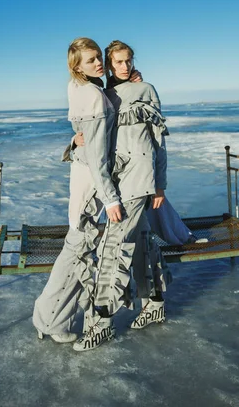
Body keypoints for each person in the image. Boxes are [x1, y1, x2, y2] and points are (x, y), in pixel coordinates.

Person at [73, 40, 174, 351]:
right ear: (109, 62)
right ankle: (154, 302)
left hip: (139, 180)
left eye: (128, 61)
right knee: (142, 239)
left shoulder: (146, 90)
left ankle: (102, 320)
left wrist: (160, 184)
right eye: (118, 62)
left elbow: (159, 141)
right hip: (120, 179)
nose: (125, 66)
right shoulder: (105, 94)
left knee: (112, 247)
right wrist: (76, 142)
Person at [32, 37, 121, 344]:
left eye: (99, 57)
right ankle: (50, 321)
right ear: (78, 67)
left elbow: (80, 133)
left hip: (80, 173)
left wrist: (73, 142)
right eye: (92, 60)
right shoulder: (94, 95)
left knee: (76, 248)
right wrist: (110, 198)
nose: (99, 63)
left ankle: (50, 317)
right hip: (90, 180)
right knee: (77, 252)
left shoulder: (77, 87)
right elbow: (98, 156)